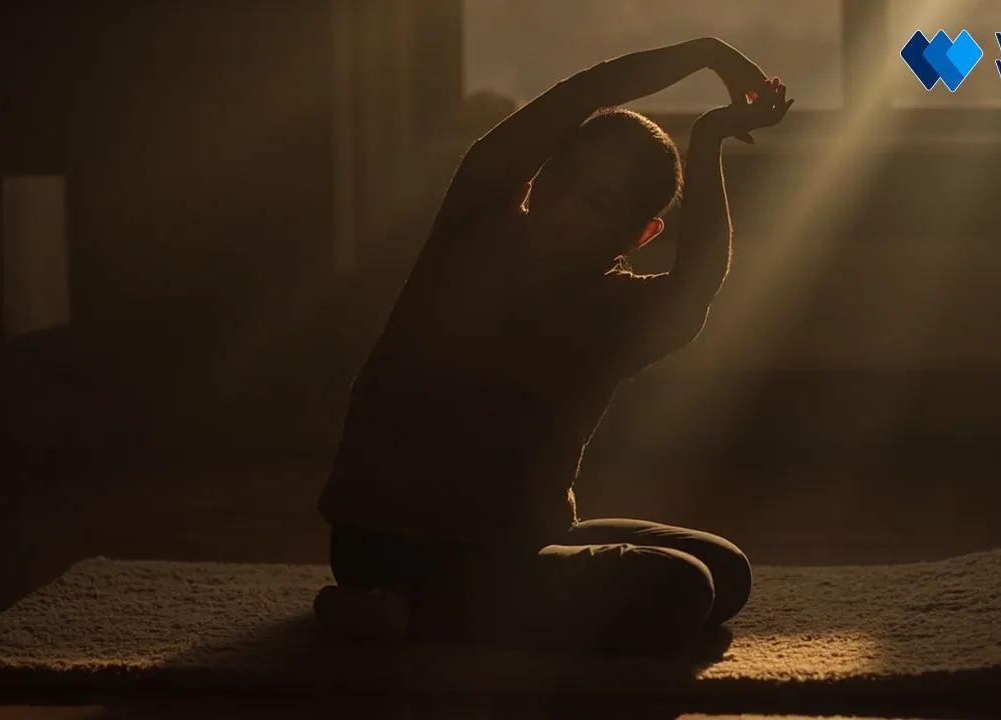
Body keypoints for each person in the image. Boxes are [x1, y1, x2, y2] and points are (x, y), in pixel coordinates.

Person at [317, 37, 793, 652]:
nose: (565, 207)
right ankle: (409, 613)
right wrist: (704, 54)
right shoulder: (475, 226)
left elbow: (699, 275)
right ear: (540, 172)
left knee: (725, 573)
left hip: (506, 544)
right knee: (681, 588)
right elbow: (581, 95)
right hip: (386, 547)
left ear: (641, 233)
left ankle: (478, 601)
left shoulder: (619, 310)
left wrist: (708, 139)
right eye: (564, 180)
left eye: (597, 203)